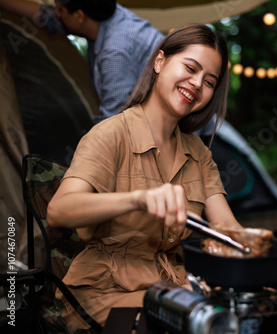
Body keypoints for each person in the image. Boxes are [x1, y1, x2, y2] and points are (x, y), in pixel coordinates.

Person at [46, 23, 242, 332]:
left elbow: (227, 230)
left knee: (238, 320)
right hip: (105, 291)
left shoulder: (199, 154)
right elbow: (59, 210)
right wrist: (138, 199)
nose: (196, 84)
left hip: (173, 288)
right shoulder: (111, 134)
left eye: (209, 81)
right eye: (190, 68)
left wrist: (258, 253)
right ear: (160, 61)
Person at [0, 0, 165, 122]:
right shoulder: (108, 14)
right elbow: (47, 17)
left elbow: (116, 122)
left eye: (60, 9)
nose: (56, 13)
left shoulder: (114, 52)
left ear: (79, 16)